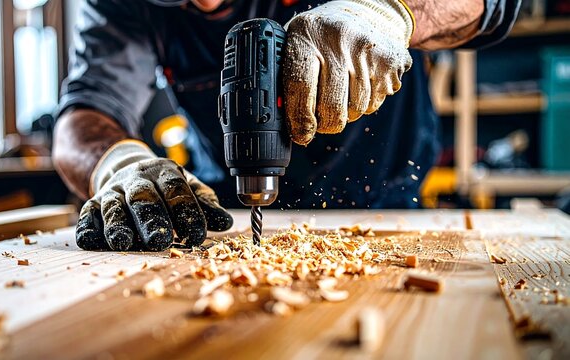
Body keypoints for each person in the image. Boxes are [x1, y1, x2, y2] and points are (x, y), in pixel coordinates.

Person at [53, 0, 521, 251]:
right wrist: (119, 163)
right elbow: (84, 113)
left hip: (383, 206)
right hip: (227, 215)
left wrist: (389, 12)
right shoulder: (129, 5)